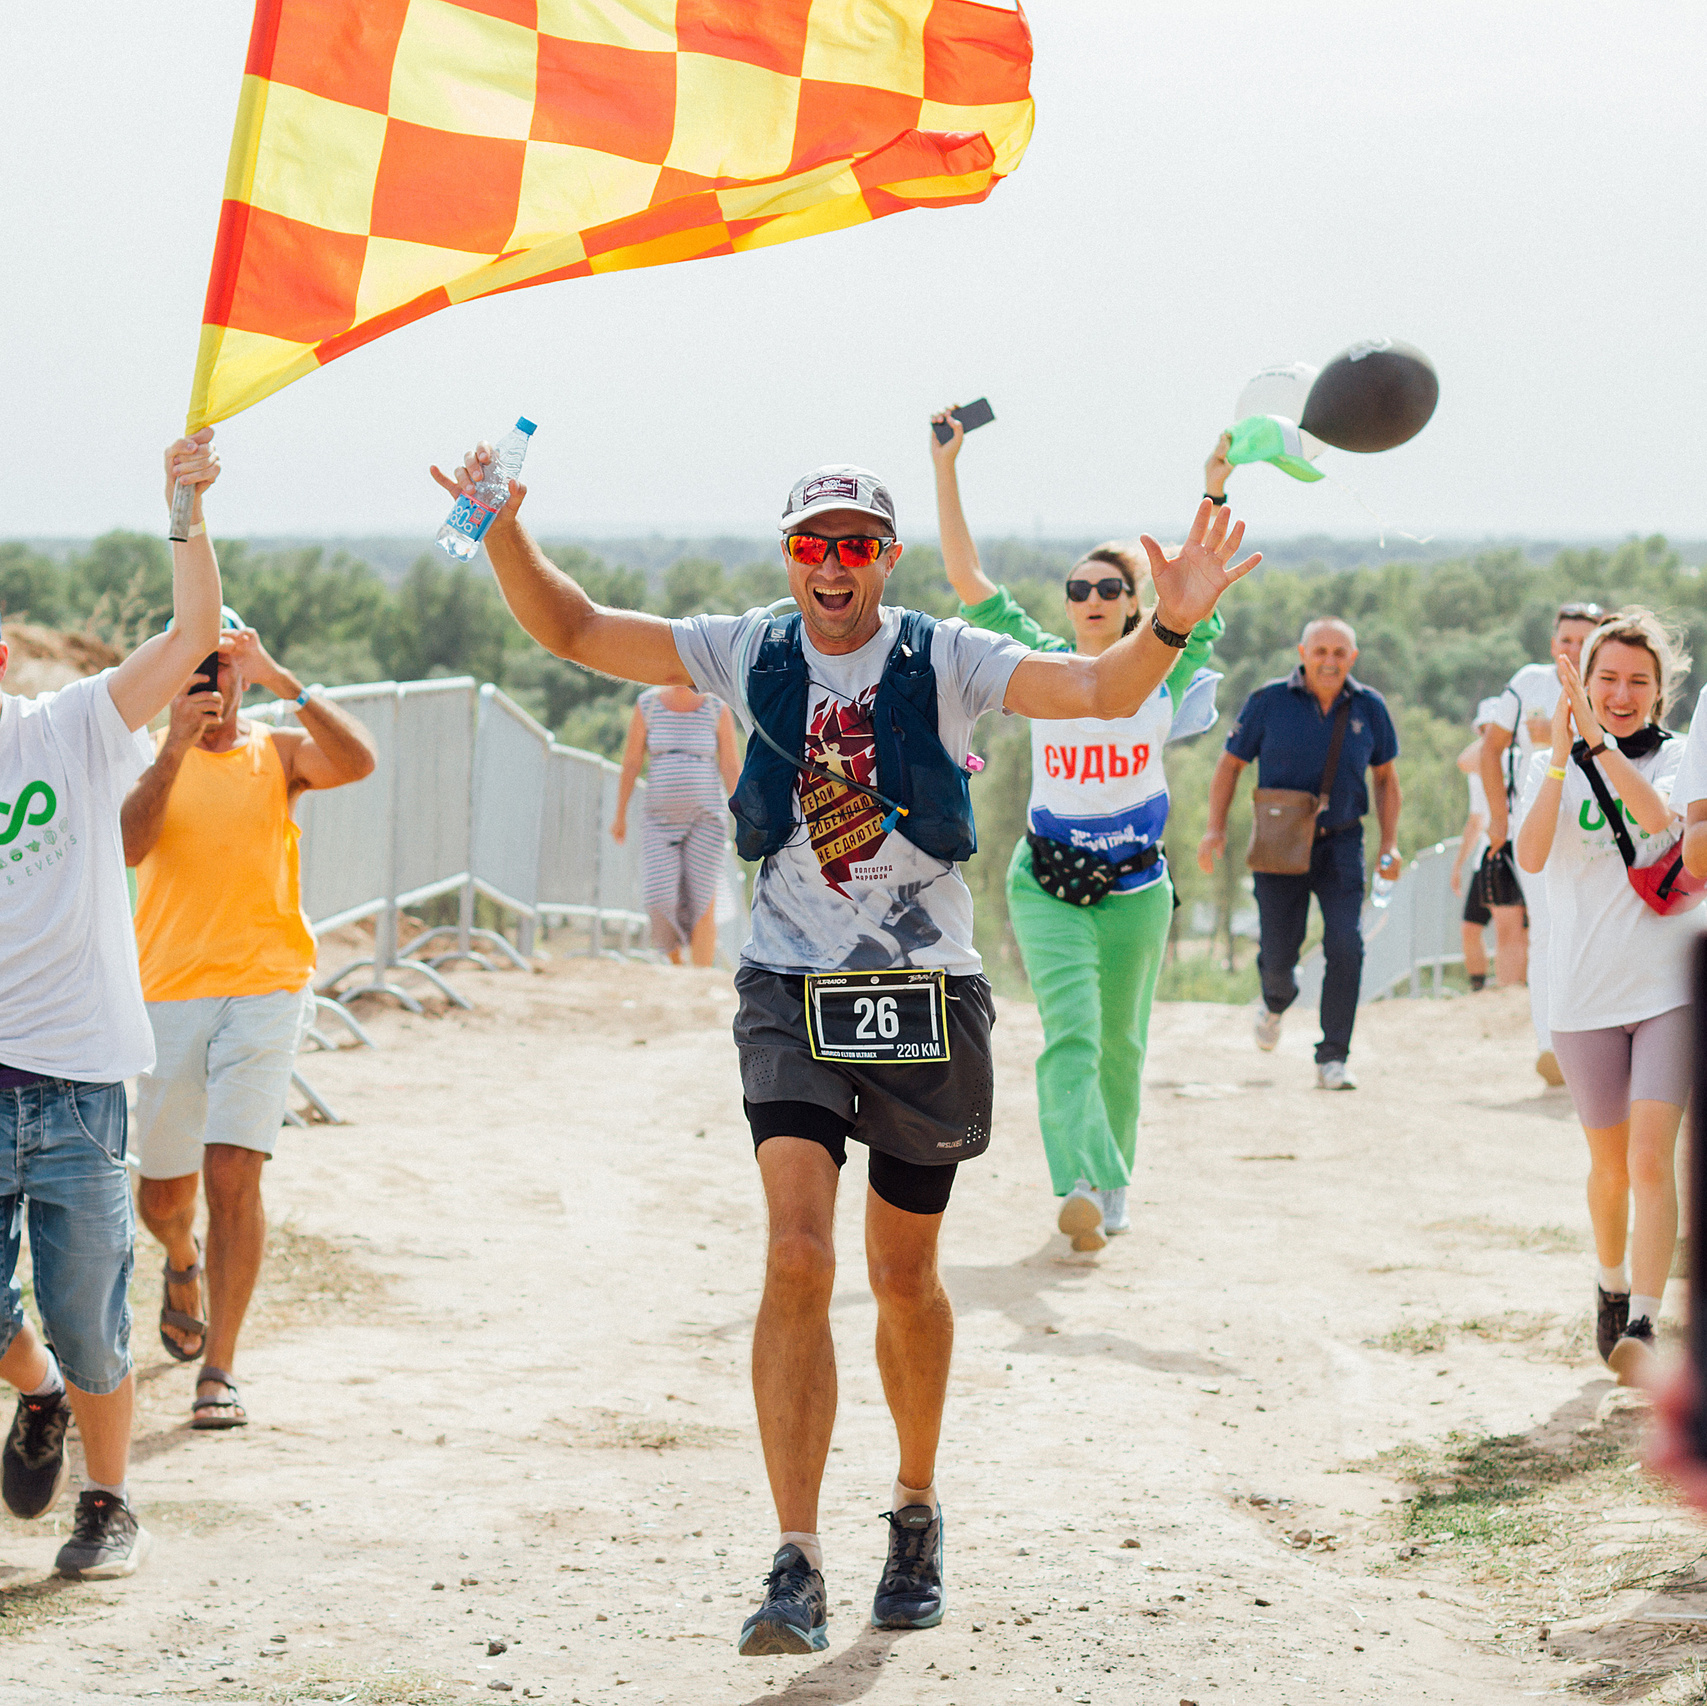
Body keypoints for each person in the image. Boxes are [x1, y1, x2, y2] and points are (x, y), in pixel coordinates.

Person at [431, 440, 1258, 1654]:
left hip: (924, 991)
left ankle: (914, 1506)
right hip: (791, 986)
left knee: (907, 1275)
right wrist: (500, 525)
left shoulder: (945, 654)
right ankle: (796, 1557)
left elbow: (1091, 691)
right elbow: (572, 626)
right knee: (799, 1254)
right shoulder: (746, 647)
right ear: (788, 556)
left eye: (855, 546)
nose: (832, 566)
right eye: (812, 545)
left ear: (885, 560)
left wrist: (1167, 628)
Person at [0, 430, 224, 1579]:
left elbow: (191, 638)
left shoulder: (71, 729)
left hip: (80, 1078)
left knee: (90, 1316)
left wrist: (182, 510)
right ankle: (36, 1395)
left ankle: (108, 1500)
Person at [930, 409, 1223, 1252]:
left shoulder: (1170, 661)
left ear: (1134, 603)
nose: (1089, 601)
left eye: (1106, 590)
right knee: (1073, 1036)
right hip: (1048, 882)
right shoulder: (1037, 660)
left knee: (1123, 1045)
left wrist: (1212, 488)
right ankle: (1079, 1188)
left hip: (1136, 888)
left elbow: (1195, 583)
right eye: (1077, 590)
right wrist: (946, 468)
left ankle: (1113, 1181)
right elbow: (966, 576)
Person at [121, 612, 376, 1429]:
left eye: (223, 668)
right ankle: (182, 1258)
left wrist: (282, 678)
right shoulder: (140, 751)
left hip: (265, 988)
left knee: (235, 1173)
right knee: (161, 1199)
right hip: (166, 994)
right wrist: (171, 747)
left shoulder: (278, 750)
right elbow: (128, 846)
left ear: (242, 675)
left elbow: (359, 761)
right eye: (194, 669)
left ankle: (220, 1368)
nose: (211, 684)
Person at [1515, 609, 1694, 1385]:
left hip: (1666, 988)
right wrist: (1562, 758)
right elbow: (1528, 853)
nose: (1620, 694)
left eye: (1637, 683)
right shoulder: (1549, 762)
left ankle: (1647, 1322)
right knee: (1610, 1168)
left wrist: (1599, 746)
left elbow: (1657, 823)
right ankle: (1610, 1279)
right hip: (1583, 994)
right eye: (1606, 680)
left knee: (1653, 1158)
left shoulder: (1683, 760)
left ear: (1659, 693)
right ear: (1582, 683)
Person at [1197, 618, 1401, 1089]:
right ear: (1302, 652)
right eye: (1321, 651)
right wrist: (1214, 829)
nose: (1329, 660)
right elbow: (1229, 767)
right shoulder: (1268, 701)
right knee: (1278, 958)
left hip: (1342, 842)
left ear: (1353, 658)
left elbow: (1387, 779)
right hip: (1279, 843)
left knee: (1346, 944)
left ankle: (1333, 1057)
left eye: (1339, 653)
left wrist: (1389, 845)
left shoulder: (1369, 707)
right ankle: (1274, 1001)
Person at [1480, 602, 1606, 1086]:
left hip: (1596, 830)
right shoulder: (1529, 683)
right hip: (1533, 827)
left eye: (1585, 640)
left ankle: (1591, 1037)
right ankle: (1550, 1044)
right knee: (1549, 929)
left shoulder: (1610, 687)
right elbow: (1490, 749)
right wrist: (1497, 817)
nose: (1574, 649)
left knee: (1591, 927)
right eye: (1567, 640)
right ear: (1554, 644)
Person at [611, 685, 740, 966]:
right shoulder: (648, 704)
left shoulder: (717, 706)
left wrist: (747, 814)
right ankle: (677, 966)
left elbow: (730, 765)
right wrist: (619, 814)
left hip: (706, 819)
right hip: (658, 819)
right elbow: (632, 761)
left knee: (703, 900)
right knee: (659, 897)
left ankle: (700, 978)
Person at [1451, 697, 1526, 990]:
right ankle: (1488, 988)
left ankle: (1513, 991)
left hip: (1511, 845)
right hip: (1490, 849)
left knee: (1512, 930)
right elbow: (1476, 818)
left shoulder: (1522, 756)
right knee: (1483, 928)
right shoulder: (1484, 763)